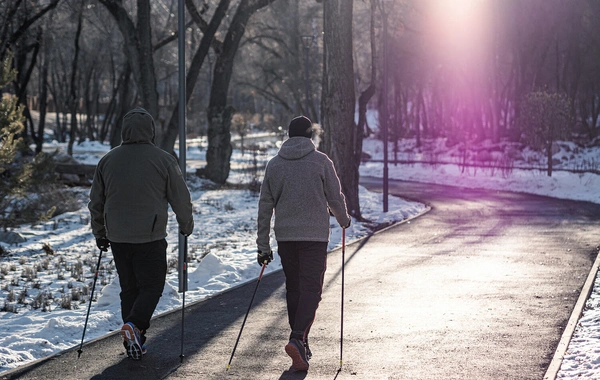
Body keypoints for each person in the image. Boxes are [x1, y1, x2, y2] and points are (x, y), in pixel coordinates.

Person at [88, 107, 194, 360]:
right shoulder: (164, 160)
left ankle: (134, 338)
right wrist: (185, 225)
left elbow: (96, 201)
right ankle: (135, 326)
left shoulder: (107, 160)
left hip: (117, 237)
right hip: (150, 236)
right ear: (151, 131)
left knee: (129, 288)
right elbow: (181, 198)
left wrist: (99, 232)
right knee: (153, 285)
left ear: (124, 131)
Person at [256, 115, 351, 371]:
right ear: (311, 136)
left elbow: (265, 206)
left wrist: (262, 244)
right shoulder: (321, 161)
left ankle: (301, 342)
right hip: (314, 237)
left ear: (288, 135)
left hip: (286, 237)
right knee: (312, 290)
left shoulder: (274, 165)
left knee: (294, 289)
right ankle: (298, 338)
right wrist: (343, 220)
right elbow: (335, 196)